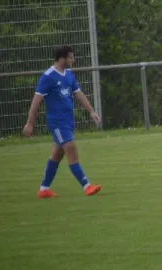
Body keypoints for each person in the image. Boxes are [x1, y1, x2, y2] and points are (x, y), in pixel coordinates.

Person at [22, 45, 102, 198]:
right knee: (71, 150)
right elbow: (36, 101)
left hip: (68, 122)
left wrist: (91, 111)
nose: (74, 60)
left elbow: (79, 94)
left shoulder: (69, 74)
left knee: (57, 155)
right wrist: (30, 123)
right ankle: (87, 186)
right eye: (71, 57)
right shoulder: (48, 76)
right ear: (62, 58)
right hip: (57, 123)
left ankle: (44, 189)